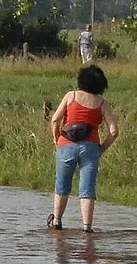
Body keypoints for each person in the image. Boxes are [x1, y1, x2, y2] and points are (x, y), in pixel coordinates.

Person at [48, 64, 120, 232]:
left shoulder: (70, 95)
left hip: (66, 144)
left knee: (62, 185)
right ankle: (87, 227)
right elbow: (114, 131)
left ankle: (57, 221)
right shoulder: (102, 103)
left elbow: (54, 120)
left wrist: (56, 138)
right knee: (87, 187)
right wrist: (101, 148)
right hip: (91, 148)